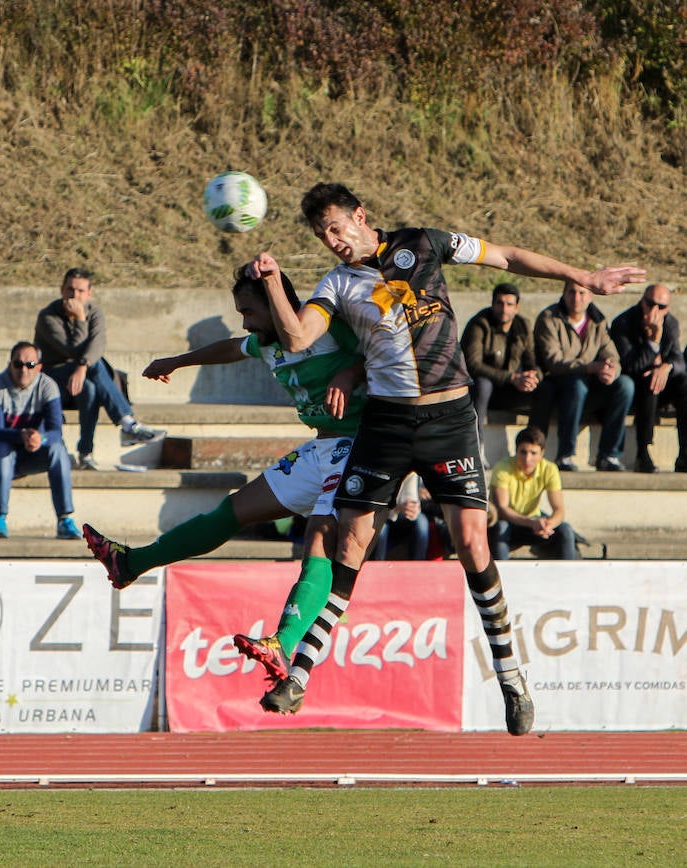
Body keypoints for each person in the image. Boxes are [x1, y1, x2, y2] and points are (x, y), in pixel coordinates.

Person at [248, 180, 644, 735]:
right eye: (322, 234)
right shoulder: (336, 284)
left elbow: (505, 255)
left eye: (337, 227)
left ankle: (510, 676)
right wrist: (271, 286)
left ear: (362, 215)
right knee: (350, 542)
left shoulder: (423, 243)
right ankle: (300, 677)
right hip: (386, 423)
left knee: (472, 544)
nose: (332, 240)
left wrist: (581, 276)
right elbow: (295, 339)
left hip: (448, 419)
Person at [82, 264, 367, 680]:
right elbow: (230, 348)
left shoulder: (323, 324)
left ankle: (283, 642)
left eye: (250, 311)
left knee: (320, 535)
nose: (246, 321)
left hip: (359, 447)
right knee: (233, 510)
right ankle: (132, 563)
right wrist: (177, 361)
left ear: (276, 304)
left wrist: (351, 371)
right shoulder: (267, 342)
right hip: (321, 448)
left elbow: (381, 353)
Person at [34, 267, 164, 470]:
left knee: (90, 388)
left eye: (80, 291)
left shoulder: (95, 313)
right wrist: (79, 319)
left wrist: (83, 367)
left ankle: (85, 453)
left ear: (89, 293)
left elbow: (98, 344)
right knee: (96, 363)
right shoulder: (48, 316)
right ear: (61, 290)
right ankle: (127, 423)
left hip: (81, 381)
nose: (74, 295)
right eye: (70, 289)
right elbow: (73, 349)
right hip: (53, 380)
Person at [0, 341, 82, 540]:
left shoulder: (48, 386)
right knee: (1, 448)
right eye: (18, 364)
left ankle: (64, 519)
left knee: (58, 451)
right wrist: (21, 436)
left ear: (39, 367)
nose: (23, 370)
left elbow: (55, 430)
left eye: (30, 365)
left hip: (31, 453)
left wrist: (39, 439)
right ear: (10, 365)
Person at [532, 280, 634, 472]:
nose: (576, 298)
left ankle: (609, 455)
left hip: (590, 385)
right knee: (576, 385)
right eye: (571, 292)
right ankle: (566, 454)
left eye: (581, 293)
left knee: (625, 385)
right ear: (563, 294)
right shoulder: (549, 318)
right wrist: (590, 368)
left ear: (591, 296)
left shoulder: (597, 321)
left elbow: (612, 355)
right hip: (559, 384)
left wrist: (610, 370)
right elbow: (554, 362)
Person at [460, 282, 541, 463]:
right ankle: (477, 449)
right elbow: (472, 365)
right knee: (482, 384)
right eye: (499, 303)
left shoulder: (523, 325)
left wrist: (532, 377)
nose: (504, 309)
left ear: (517, 307)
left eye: (509, 304)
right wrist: (511, 378)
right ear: (493, 304)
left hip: (510, 389)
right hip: (482, 389)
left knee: (545, 389)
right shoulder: (479, 325)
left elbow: (531, 359)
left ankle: (534, 447)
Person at [610, 284, 687, 473]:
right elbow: (630, 366)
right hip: (631, 388)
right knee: (650, 382)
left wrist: (666, 367)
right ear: (641, 302)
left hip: (659, 384)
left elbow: (679, 361)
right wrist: (653, 343)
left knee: (684, 384)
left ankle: (684, 453)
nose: (654, 310)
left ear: (667, 309)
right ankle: (642, 453)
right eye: (650, 304)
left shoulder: (670, 323)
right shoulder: (624, 323)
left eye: (660, 307)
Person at [489, 426, 576, 560]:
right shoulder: (502, 467)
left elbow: (559, 510)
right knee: (501, 527)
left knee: (566, 530)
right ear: (516, 451)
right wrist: (532, 522)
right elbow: (503, 510)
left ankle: (568, 577)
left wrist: (548, 525)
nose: (527, 459)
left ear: (542, 453)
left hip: (534, 523)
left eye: (533, 453)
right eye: (523, 452)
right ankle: (501, 577)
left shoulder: (550, 469)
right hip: (509, 523)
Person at [370, 472, 431, 561]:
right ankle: (377, 564)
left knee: (422, 524)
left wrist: (416, 506)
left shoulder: (417, 474)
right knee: (380, 528)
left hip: (409, 515)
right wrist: (396, 507)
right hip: (384, 512)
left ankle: (418, 566)